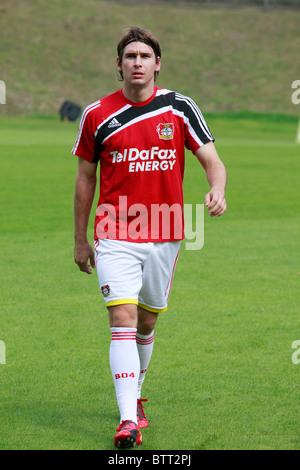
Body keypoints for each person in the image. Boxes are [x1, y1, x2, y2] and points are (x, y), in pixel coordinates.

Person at [72, 26, 227, 448]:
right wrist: (80, 238)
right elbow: (86, 177)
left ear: (157, 63)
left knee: (147, 320)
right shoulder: (96, 114)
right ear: (118, 64)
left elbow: (212, 159)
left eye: (144, 56)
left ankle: (137, 395)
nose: (137, 62)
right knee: (121, 317)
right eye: (129, 56)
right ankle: (127, 420)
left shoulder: (179, 108)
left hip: (165, 232)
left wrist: (217, 188)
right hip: (114, 231)